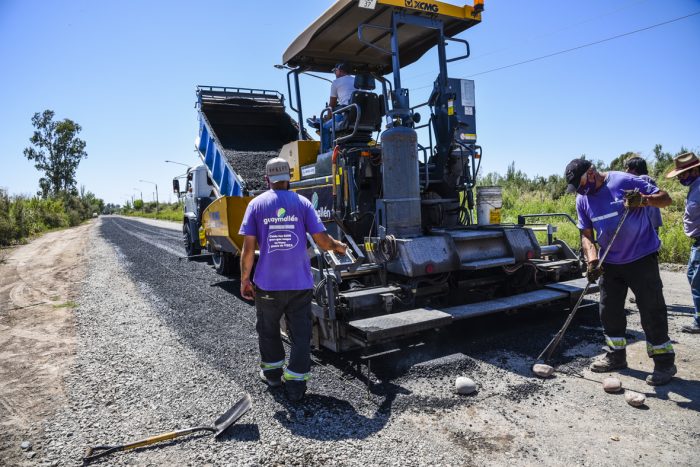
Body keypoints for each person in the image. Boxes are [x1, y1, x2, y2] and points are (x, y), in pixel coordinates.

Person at [239, 157, 347, 401]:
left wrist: (245, 279)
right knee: (300, 334)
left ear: (267, 179)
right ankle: (296, 386)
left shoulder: (256, 205)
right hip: (300, 284)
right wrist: (339, 247)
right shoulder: (303, 203)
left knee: (268, 330)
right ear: (289, 178)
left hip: (267, 284)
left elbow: (248, 249)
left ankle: (274, 376)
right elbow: (322, 241)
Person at [565, 158, 677, 385]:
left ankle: (664, 363)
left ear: (592, 171)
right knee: (609, 311)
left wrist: (643, 200)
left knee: (652, 309)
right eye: (576, 187)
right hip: (610, 262)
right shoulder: (582, 200)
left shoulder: (623, 180)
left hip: (641, 258)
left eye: (581, 182)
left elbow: (666, 199)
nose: (580, 189)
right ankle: (616, 356)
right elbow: (586, 234)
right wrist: (592, 259)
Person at [666, 152, 700, 334]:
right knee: (693, 277)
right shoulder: (695, 187)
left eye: (683, 174)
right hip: (697, 242)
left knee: (698, 281)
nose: (680, 178)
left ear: (695, 170)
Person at [321, 62, 357, 152]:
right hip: (360, 117)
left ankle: (326, 152)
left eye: (335, 71)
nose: (335, 74)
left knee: (324, 127)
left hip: (346, 115)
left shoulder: (336, 82)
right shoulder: (357, 80)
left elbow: (332, 105)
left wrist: (328, 118)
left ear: (340, 71)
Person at [624, 156, 663, 233]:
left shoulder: (643, 178)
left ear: (634, 169)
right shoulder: (647, 179)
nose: (626, 171)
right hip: (651, 223)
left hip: (647, 225)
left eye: (628, 168)